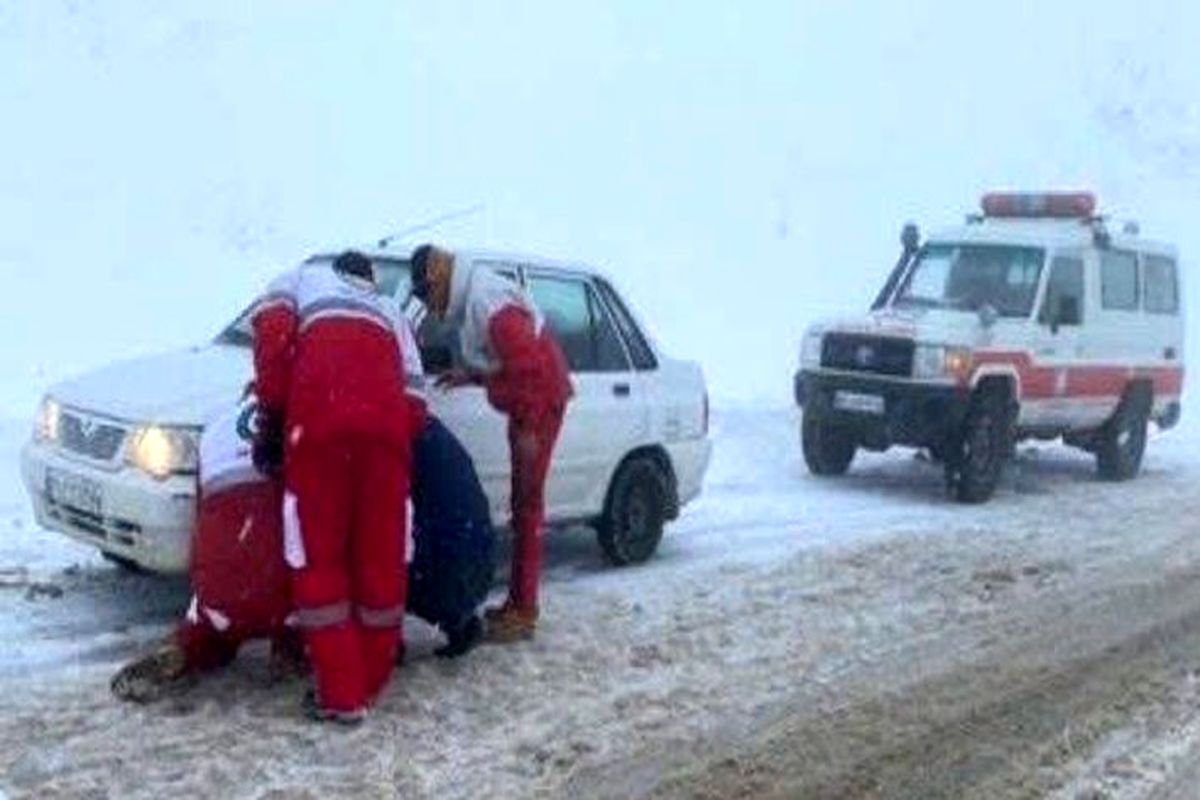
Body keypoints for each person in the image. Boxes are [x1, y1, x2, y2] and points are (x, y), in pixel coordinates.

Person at [252, 249, 424, 724]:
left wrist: (274, 419)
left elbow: (271, 343)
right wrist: (380, 432)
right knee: (380, 561)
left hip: (318, 432)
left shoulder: (301, 280)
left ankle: (343, 695)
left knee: (317, 559)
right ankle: (370, 678)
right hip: (386, 441)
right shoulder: (392, 312)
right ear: (368, 280)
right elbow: (416, 398)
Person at [409, 244, 573, 642]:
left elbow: (529, 368)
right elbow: (511, 363)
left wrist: (529, 428)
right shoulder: (479, 295)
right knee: (524, 506)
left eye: (427, 296)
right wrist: (474, 376)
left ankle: (524, 610)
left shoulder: (487, 302)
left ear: (440, 279)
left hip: (537, 404)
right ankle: (520, 603)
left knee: (527, 506)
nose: (430, 308)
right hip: (531, 399)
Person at [111, 397, 302, 703]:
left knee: (214, 623)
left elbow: (201, 516)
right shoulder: (302, 420)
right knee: (311, 593)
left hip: (221, 572)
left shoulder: (217, 427)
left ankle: (187, 649)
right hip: (280, 577)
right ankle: (291, 648)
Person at [409, 415, 497, 657]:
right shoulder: (429, 428)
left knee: (377, 553)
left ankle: (382, 643)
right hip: (476, 558)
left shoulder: (403, 434)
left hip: (447, 565)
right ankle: (460, 620)